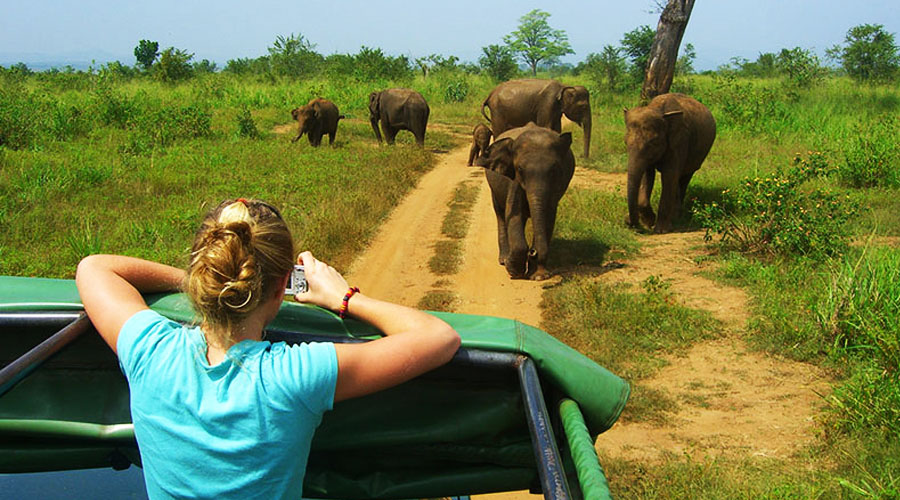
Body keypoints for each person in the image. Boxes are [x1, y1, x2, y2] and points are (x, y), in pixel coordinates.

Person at [75, 198, 460, 499]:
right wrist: (344, 297)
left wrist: (211, 282)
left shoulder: (149, 350)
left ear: (202, 274)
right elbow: (439, 338)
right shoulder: (293, 376)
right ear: (281, 288)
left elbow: (94, 268)